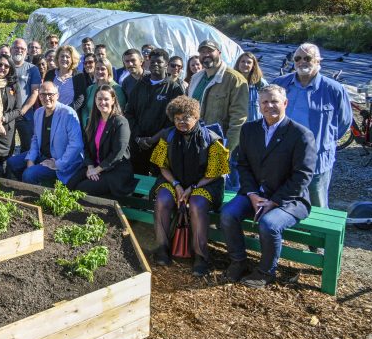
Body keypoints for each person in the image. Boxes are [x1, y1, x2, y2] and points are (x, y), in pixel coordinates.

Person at [220, 85, 317, 287]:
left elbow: (302, 176)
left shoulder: (301, 134)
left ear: (285, 103)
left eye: (274, 101)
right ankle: (238, 262)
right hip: (254, 194)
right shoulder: (249, 129)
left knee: (269, 225)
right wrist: (253, 195)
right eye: (265, 102)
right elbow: (242, 165)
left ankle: (265, 272)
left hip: (288, 199)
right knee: (228, 213)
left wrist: (273, 202)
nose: (269, 106)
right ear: (259, 105)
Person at [149, 96, 230, 276]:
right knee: (162, 199)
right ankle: (162, 247)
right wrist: (177, 185)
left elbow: (215, 172)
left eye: (186, 118)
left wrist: (192, 187)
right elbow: (162, 166)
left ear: (195, 116)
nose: (181, 122)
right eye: (177, 118)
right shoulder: (168, 136)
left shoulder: (211, 139)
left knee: (197, 204)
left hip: (205, 183)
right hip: (173, 180)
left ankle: (201, 255)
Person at [272, 43, 352, 209]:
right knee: (282, 201)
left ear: (318, 61)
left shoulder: (334, 89)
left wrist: (326, 141)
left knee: (317, 204)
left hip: (317, 159)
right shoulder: (280, 85)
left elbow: (344, 122)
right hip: (283, 156)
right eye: (298, 58)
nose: (302, 62)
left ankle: (319, 233)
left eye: (307, 58)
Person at [188, 40, 248, 191]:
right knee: (197, 186)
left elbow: (239, 118)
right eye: (202, 52)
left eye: (210, 51)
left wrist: (228, 149)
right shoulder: (196, 78)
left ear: (219, 53)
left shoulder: (234, 79)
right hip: (197, 143)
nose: (206, 55)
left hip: (219, 145)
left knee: (222, 189)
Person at [6, 82, 83, 185]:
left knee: (29, 174)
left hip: (61, 160)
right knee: (12, 163)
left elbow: (76, 145)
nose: (47, 98)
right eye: (43, 94)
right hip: (42, 155)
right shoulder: (38, 113)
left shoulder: (68, 113)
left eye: (50, 94)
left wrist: (57, 164)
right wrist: (30, 158)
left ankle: (35, 194)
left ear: (57, 95)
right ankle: (27, 187)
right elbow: (36, 138)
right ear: (39, 96)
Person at [124, 48, 185, 175]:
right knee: (137, 178)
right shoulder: (140, 85)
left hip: (161, 144)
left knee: (159, 180)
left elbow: (176, 119)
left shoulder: (174, 89)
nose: (155, 64)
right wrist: (137, 137)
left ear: (167, 65)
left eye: (159, 62)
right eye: (152, 62)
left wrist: (153, 139)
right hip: (138, 143)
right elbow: (129, 112)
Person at [67, 85, 134, 197]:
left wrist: (97, 170)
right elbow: (86, 148)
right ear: (95, 100)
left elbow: (118, 153)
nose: (102, 102)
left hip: (114, 170)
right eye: (99, 99)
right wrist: (90, 166)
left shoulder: (121, 122)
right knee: (70, 185)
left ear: (113, 100)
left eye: (106, 99)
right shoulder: (92, 121)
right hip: (94, 167)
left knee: (81, 189)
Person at [10, 38, 42, 153]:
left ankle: (26, 169)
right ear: (11, 50)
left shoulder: (32, 69)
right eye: (16, 48)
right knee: (7, 147)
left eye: (22, 49)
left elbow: (35, 92)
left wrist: (23, 110)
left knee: (28, 147)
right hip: (7, 114)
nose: (19, 51)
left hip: (26, 114)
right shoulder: (5, 67)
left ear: (26, 51)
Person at [81, 57, 127, 127]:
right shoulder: (90, 89)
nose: (99, 71)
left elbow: (119, 110)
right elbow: (85, 109)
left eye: (103, 69)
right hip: (91, 128)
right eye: (97, 69)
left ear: (108, 71)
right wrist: (87, 123)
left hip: (109, 129)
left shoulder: (116, 89)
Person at [43, 45, 88, 116]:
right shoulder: (50, 74)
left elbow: (81, 99)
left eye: (68, 57)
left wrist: (66, 111)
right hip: (51, 114)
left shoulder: (78, 76)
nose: (64, 59)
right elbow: (44, 93)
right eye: (62, 56)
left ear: (72, 59)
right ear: (57, 58)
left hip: (70, 115)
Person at [233, 52, 268, 122]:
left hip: (255, 122)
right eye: (243, 61)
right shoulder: (232, 81)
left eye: (249, 62)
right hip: (236, 122)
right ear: (238, 64)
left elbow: (268, 102)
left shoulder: (260, 83)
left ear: (253, 66)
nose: (245, 64)